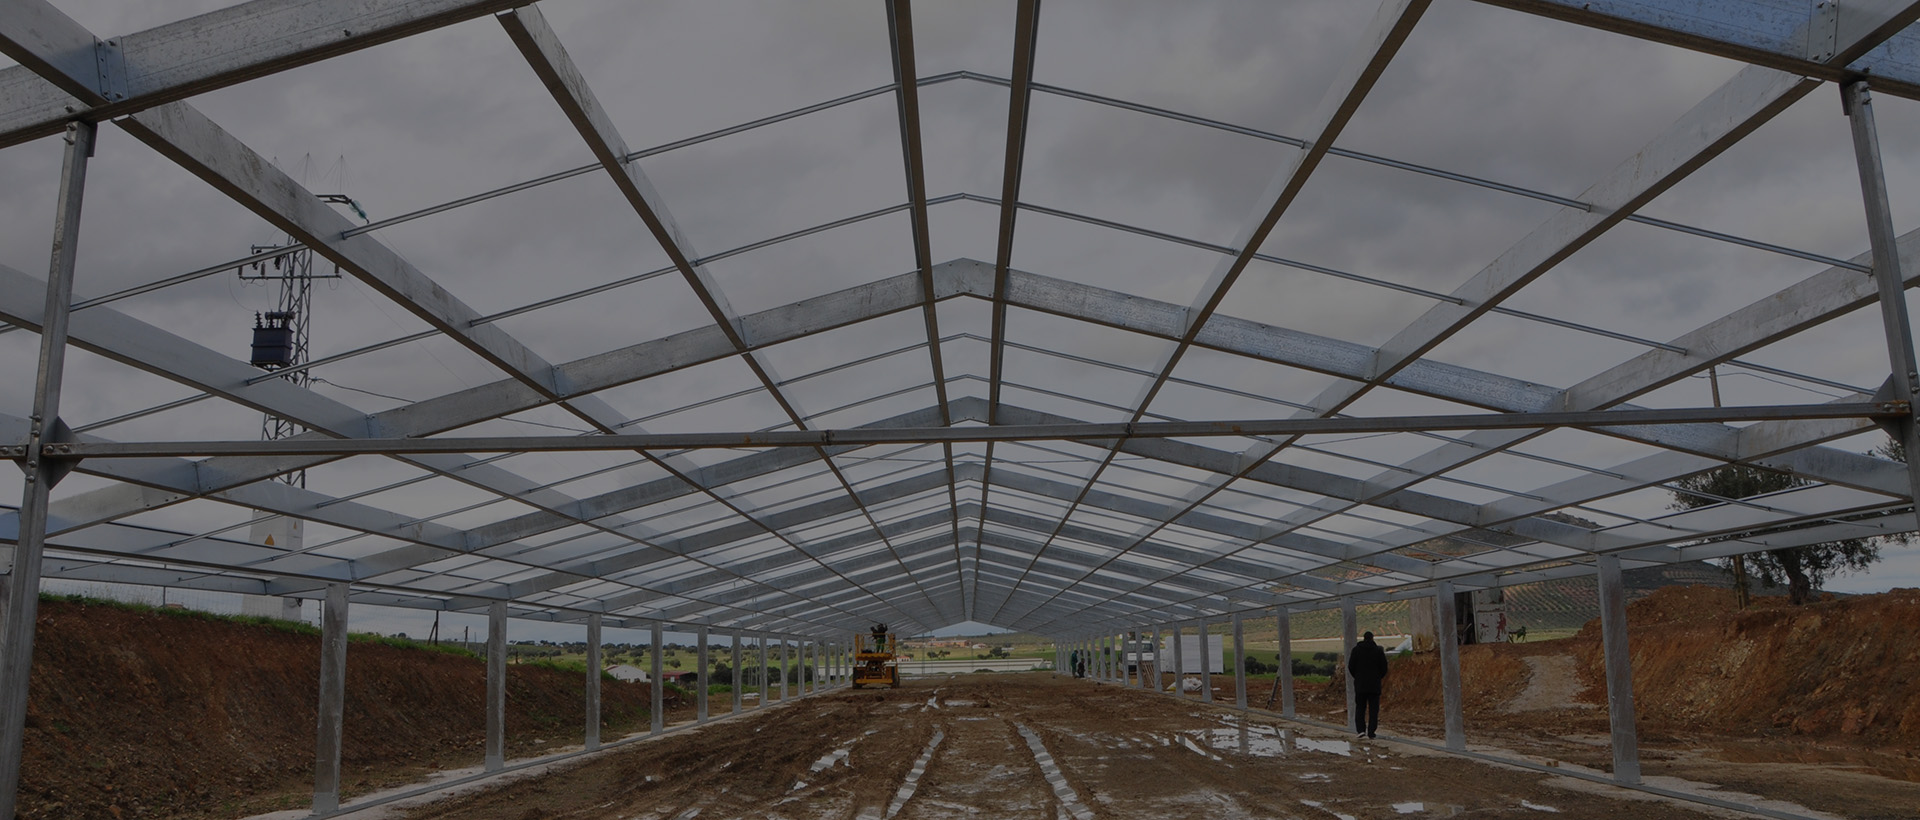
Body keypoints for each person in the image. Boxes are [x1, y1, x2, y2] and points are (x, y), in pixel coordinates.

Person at [1347, 630, 1389, 739]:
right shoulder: (1378, 651)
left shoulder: (1356, 650)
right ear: (1372, 638)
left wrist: (1358, 677)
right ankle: (1371, 732)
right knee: (1373, 710)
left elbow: (1351, 666)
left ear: (1363, 638)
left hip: (1360, 685)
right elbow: (1384, 667)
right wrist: (1378, 677)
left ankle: (1361, 730)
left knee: (1360, 707)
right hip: (1374, 685)